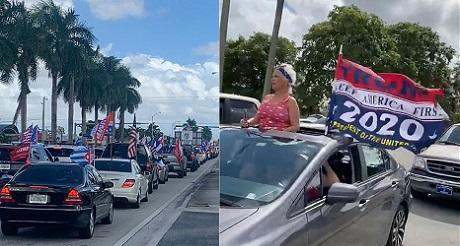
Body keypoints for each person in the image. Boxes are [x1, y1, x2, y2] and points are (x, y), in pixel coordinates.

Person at [240, 64, 300, 132]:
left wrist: (279, 134)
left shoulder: (290, 101)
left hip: (279, 141)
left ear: (287, 81)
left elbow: (295, 126)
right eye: (272, 76)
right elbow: (256, 120)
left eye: (276, 76)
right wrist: (247, 122)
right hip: (262, 138)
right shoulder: (267, 98)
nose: (272, 79)